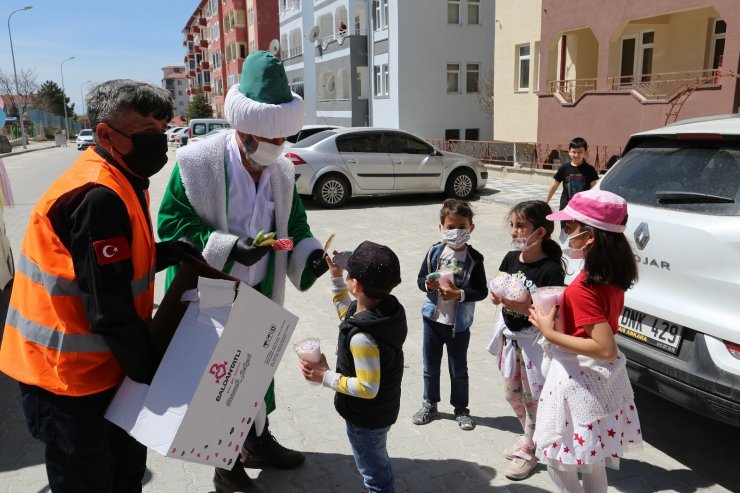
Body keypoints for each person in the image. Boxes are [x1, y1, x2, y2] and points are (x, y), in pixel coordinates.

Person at [0, 79, 203, 492]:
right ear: (107, 134)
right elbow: (109, 310)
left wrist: (171, 252)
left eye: (163, 131)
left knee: (125, 474)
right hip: (65, 380)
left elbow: (113, 268)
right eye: (146, 133)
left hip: (104, 368)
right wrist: (158, 378)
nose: (159, 143)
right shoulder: (97, 195)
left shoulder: (122, 179)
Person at [157, 50, 330, 493]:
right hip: (212, 294)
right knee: (221, 381)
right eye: (264, 140)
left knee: (257, 376)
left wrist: (308, 253)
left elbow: (293, 227)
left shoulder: (281, 172)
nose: (273, 149)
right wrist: (229, 247)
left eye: (281, 140)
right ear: (242, 129)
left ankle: (257, 442)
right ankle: (224, 466)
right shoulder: (197, 164)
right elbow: (172, 224)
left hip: (259, 295)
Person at [529, 189, 642, 493]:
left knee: (555, 460)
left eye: (569, 227)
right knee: (592, 458)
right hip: (597, 381)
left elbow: (605, 348)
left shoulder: (585, 287)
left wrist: (549, 331)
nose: (564, 233)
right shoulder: (610, 273)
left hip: (575, 377)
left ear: (590, 236)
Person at [299, 241, 406, 493]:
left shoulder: (362, 338)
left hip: (365, 419)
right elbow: (347, 314)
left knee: (374, 474)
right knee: (377, 461)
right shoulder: (386, 310)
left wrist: (325, 376)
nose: (344, 275)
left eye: (347, 274)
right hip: (380, 412)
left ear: (356, 285)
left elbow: (368, 387)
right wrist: (337, 280)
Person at [487, 200, 565, 480]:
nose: (514, 231)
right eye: (513, 225)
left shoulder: (551, 269)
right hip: (511, 340)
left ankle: (529, 451)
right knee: (512, 394)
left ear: (541, 232)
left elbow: (551, 314)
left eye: (521, 225)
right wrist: (496, 296)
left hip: (534, 345)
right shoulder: (510, 258)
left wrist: (524, 308)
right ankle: (530, 434)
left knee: (533, 399)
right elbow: (498, 288)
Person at [412, 198, 487, 430]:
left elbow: (481, 290)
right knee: (430, 367)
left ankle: (461, 409)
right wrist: (428, 285)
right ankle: (430, 404)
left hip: (458, 325)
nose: (456, 232)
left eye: (462, 227)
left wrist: (460, 294)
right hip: (433, 321)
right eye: (451, 227)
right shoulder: (434, 252)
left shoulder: (475, 259)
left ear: (471, 228)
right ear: (441, 228)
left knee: (459, 369)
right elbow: (420, 279)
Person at [544, 137, 599, 214]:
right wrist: (545, 202)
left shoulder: (590, 169)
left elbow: (594, 189)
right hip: (566, 207)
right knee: (565, 226)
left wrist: (596, 206)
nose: (576, 155)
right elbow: (554, 185)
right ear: (569, 152)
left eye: (580, 152)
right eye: (574, 152)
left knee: (580, 226)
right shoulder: (564, 168)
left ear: (585, 153)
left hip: (583, 208)